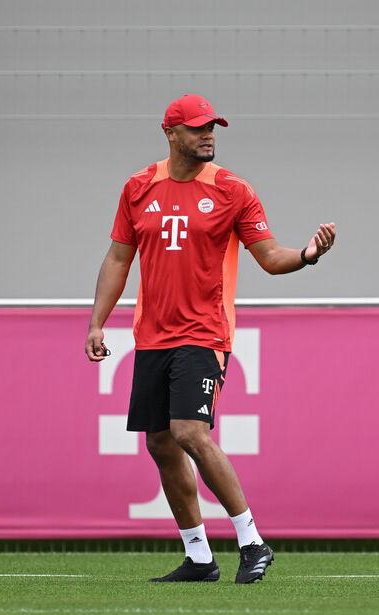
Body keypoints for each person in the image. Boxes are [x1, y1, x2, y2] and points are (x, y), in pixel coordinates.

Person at [84, 93, 336, 583]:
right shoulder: (138, 187)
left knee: (189, 433)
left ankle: (252, 541)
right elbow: (118, 259)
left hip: (204, 333)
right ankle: (199, 556)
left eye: (212, 128)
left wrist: (307, 254)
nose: (208, 136)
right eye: (198, 128)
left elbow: (269, 256)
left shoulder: (231, 190)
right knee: (160, 443)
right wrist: (97, 322)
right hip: (152, 336)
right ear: (170, 133)